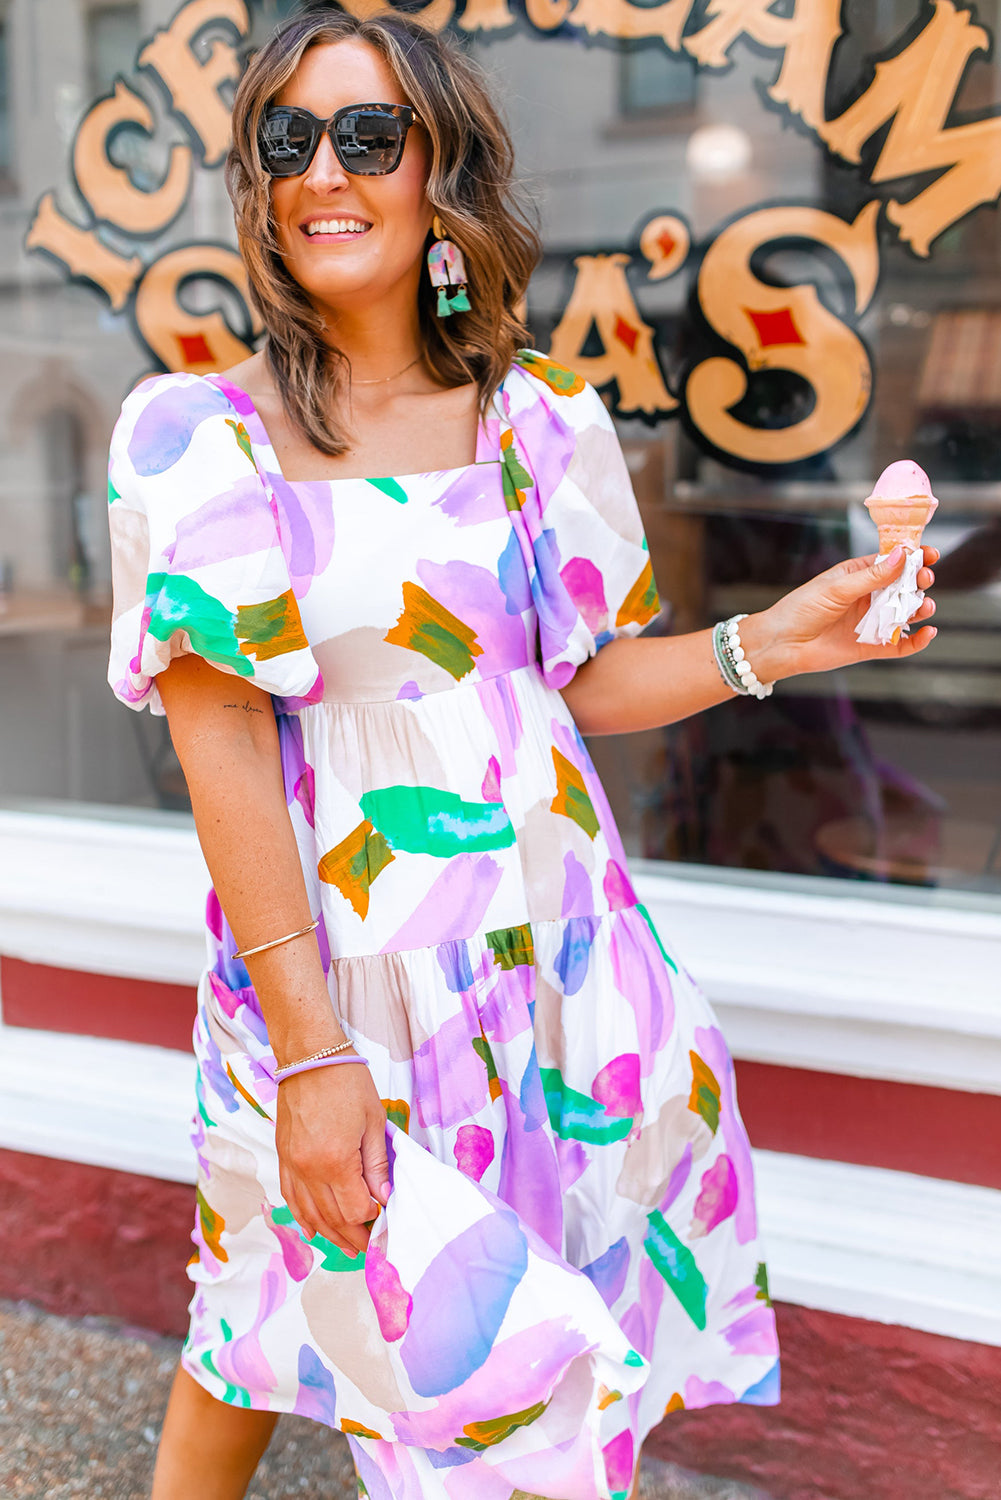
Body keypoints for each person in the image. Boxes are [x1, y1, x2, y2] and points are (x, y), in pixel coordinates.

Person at [106, 8, 938, 1499]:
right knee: (274, 1306)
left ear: (441, 173)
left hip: (558, 970)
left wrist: (779, 641)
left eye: (367, 135)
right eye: (285, 142)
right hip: (342, 975)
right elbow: (221, 737)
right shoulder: (200, 438)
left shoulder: (538, 421)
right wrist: (310, 1049)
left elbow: (579, 681)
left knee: (504, 1356)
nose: (322, 172)